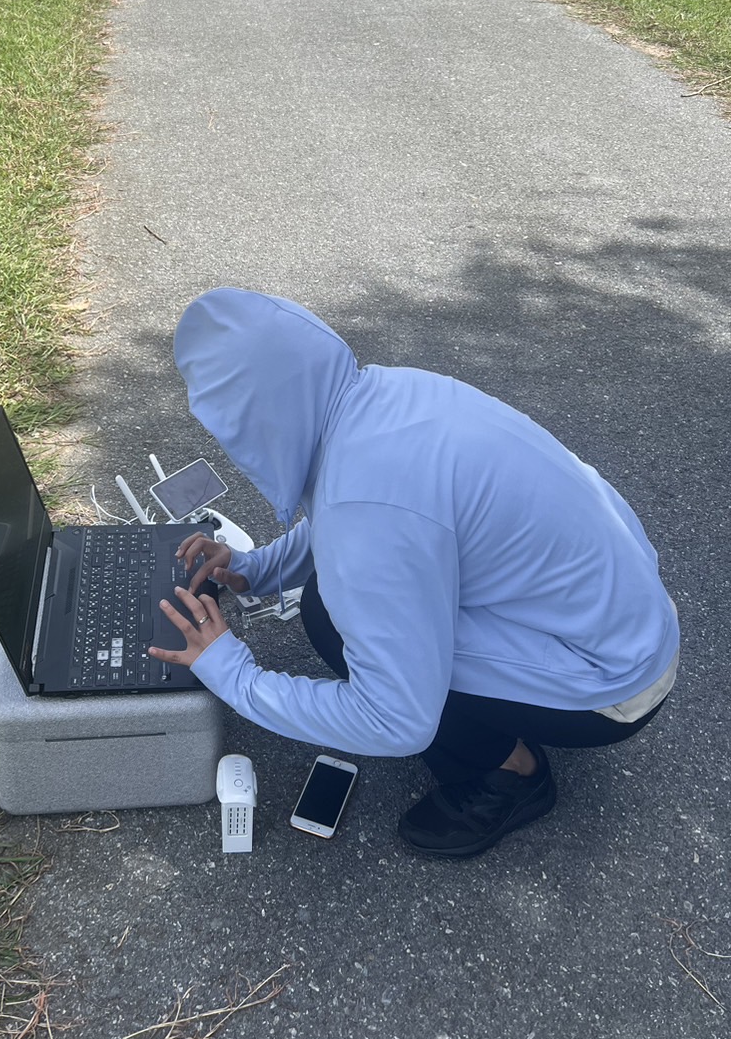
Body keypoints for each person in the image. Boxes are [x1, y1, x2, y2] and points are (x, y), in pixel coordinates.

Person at [149, 288, 679, 859]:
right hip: (626, 618)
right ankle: (511, 718)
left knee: (332, 620)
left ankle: (511, 774)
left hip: (614, 682)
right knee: (339, 598)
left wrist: (232, 673)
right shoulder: (381, 393)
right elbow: (369, 517)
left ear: (254, 421)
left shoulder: (366, 506)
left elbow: (397, 720)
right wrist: (258, 569)